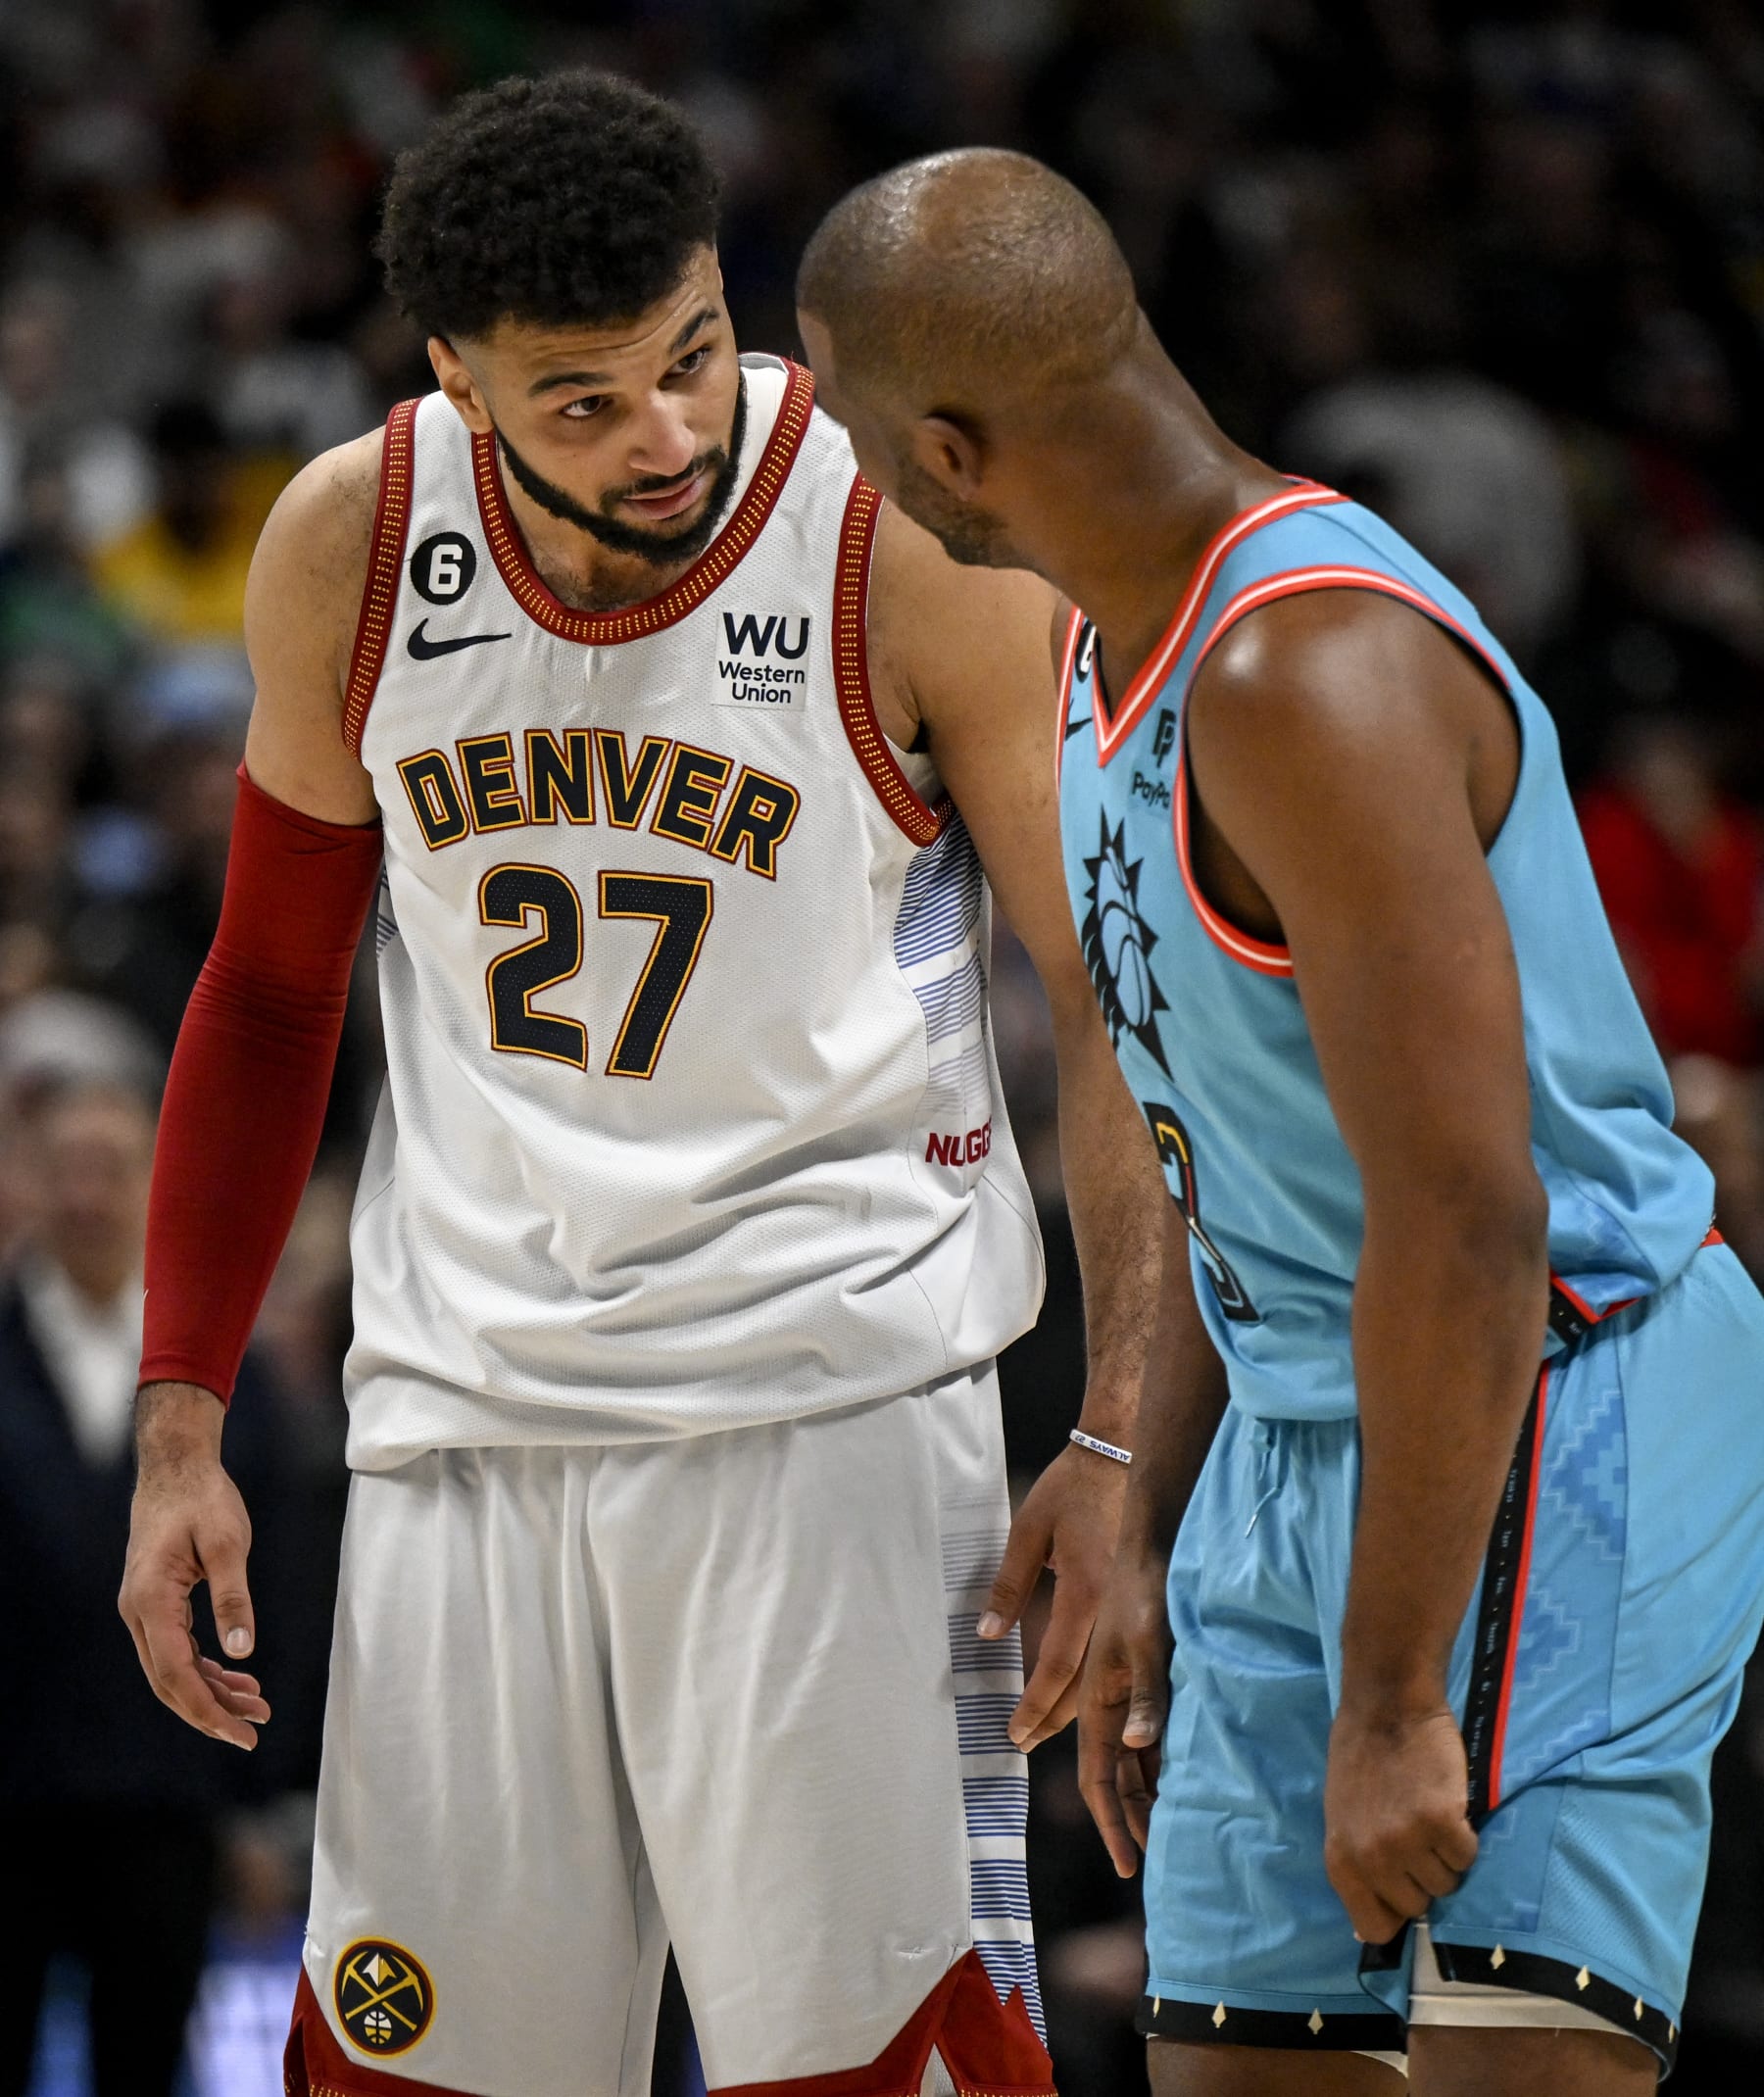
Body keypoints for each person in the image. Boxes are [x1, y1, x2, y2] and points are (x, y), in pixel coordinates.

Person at [118, 74, 1166, 2097]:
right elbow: (262, 999)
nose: (666, 434)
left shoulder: (893, 530)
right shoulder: (352, 540)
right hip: (462, 1422)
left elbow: (1113, 988)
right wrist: (180, 1419)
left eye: (691, 356)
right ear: (456, 378)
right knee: (412, 2071)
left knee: (879, 2066)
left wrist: (1116, 1433)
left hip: (835, 1407)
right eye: (584, 400)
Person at [795, 151, 1764, 2095]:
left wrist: (1395, 1690)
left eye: (852, 433)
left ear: (953, 446)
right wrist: (1144, 1500)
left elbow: (1471, 1224)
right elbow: (1208, 1143)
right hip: (1298, 1426)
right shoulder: (1086, 644)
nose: (849, 482)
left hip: (1549, 1410)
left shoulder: (1305, 667)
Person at [0, 1075, 299, 2097]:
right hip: (8, 1798)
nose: (85, 1194)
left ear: (153, 1184)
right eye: (63, 1168)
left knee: (150, 2067)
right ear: (27, 1181)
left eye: (111, 1168)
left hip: (166, 1800)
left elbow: (279, 1586)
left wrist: (264, 1804)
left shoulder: (228, 1374)